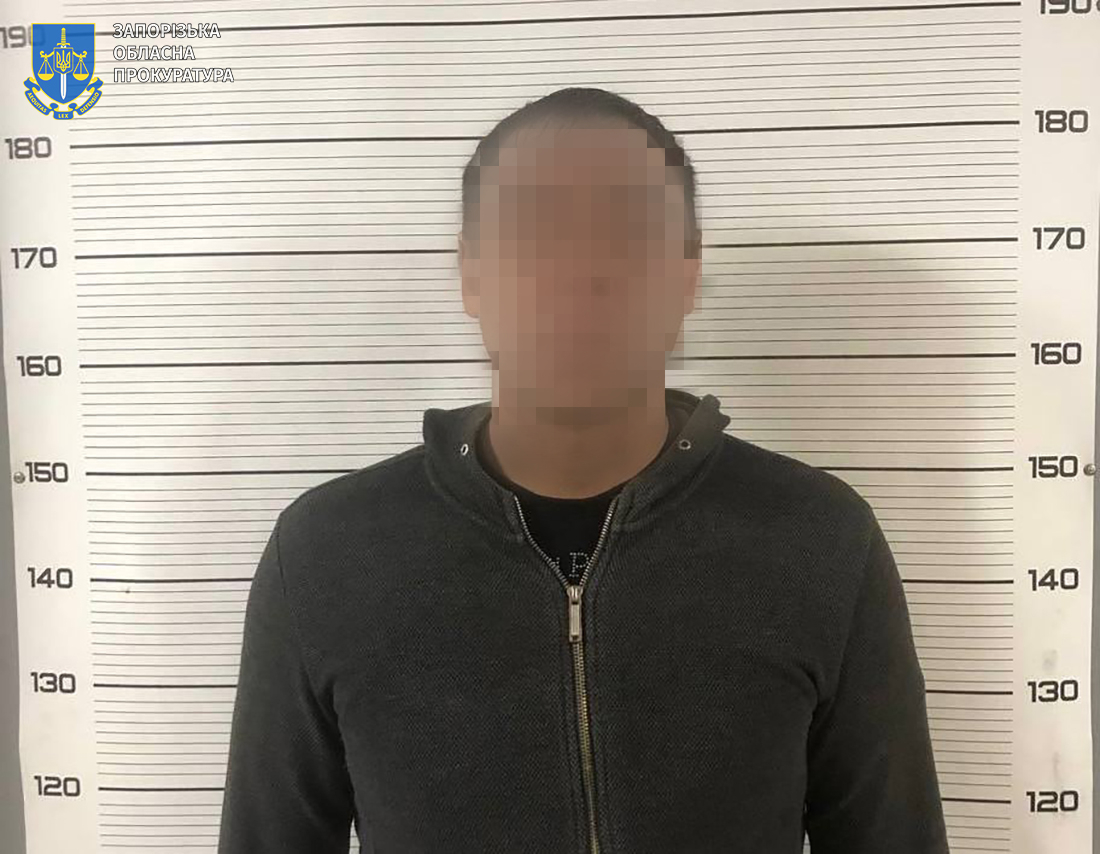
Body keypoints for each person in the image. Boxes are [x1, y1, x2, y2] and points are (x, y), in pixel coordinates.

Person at [217, 86, 951, 854]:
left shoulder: (820, 541)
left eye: (628, 232)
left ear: (687, 274)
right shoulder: (327, 553)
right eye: (533, 232)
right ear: (471, 274)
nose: (580, 272)